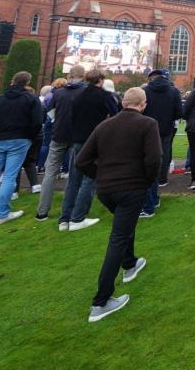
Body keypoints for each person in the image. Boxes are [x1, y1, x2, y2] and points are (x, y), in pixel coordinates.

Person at [76, 87, 160, 322]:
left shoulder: (104, 126)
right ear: (143, 104)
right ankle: (101, 301)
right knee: (119, 237)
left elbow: (81, 161)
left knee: (124, 226)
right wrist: (147, 180)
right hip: (131, 188)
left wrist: (100, 175)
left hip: (106, 190)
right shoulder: (147, 124)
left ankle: (130, 263)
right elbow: (154, 159)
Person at [0, 72, 43, 227]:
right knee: (9, 176)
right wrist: (29, 137)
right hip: (19, 140)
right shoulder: (31, 99)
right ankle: (2, 214)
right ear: (27, 82)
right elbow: (37, 122)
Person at [62, 68, 117, 232]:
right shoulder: (105, 96)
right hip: (95, 140)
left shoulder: (77, 95)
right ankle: (78, 218)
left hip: (78, 140)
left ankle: (65, 218)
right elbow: (115, 116)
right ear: (100, 80)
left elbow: (71, 117)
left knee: (74, 179)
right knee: (89, 179)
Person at [36, 66, 87, 221]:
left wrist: (58, 120)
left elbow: (49, 111)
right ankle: (70, 212)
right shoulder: (85, 91)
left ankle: (42, 211)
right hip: (77, 136)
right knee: (75, 174)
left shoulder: (58, 92)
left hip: (58, 135)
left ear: (69, 75)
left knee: (50, 173)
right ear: (83, 76)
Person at [141, 68, 182, 217]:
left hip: (147, 128)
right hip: (166, 128)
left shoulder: (145, 91)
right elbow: (179, 112)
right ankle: (161, 179)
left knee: (147, 157)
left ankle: (151, 189)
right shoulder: (174, 91)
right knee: (163, 154)